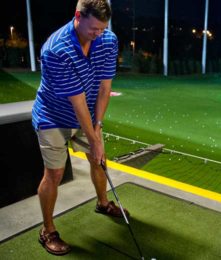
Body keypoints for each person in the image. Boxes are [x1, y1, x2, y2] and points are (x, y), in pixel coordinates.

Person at [32, 0, 128, 255]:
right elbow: (77, 103)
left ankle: (103, 203)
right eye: (93, 28)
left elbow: (104, 88)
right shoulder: (56, 49)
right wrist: (95, 141)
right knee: (54, 173)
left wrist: (97, 128)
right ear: (77, 16)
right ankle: (47, 230)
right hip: (53, 116)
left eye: (102, 28)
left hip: (86, 112)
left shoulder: (107, 39)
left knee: (99, 160)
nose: (98, 34)